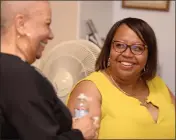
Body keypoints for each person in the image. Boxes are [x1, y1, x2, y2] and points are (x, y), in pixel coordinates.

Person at [0, 1, 98, 140]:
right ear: (21, 24)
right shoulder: (19, 77)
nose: (51, 34)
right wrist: (79, 133)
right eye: (47, 24)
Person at [67, 17, 175, 139]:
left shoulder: (157, 83)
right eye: (119, 45)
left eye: (137, 48)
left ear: (148, 55)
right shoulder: (89, 90)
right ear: (109, 50)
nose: (127, 54)